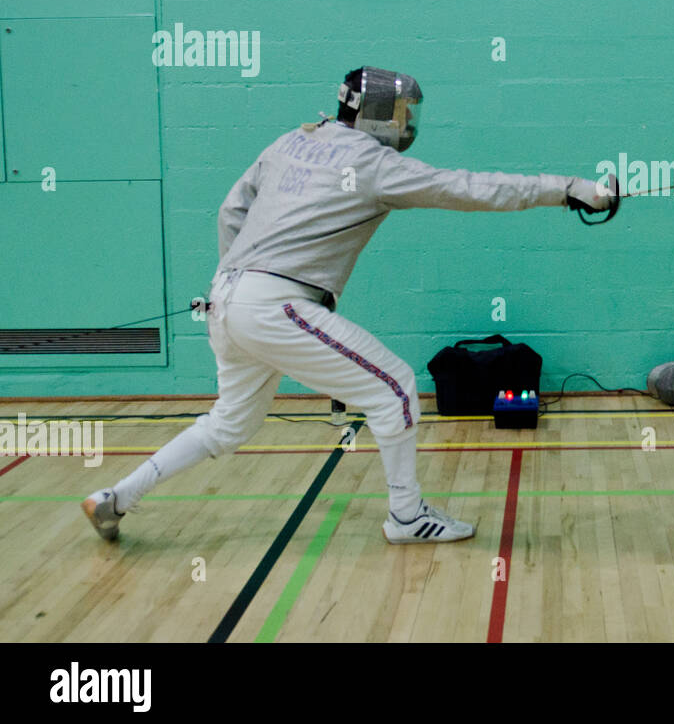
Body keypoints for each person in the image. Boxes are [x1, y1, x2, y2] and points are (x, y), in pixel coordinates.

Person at [84, 67, 615, 545]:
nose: (409, 123)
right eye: (403, 113)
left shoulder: (293, 141)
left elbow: (231, 210)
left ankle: (116, 498)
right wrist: (568, 188)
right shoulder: (372, 163)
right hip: (273, 305)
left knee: (229, 425)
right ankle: (406, 517)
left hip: (226, 299)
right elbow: (467, 188)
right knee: (396, 388)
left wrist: (239, 284)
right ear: (380, 114)